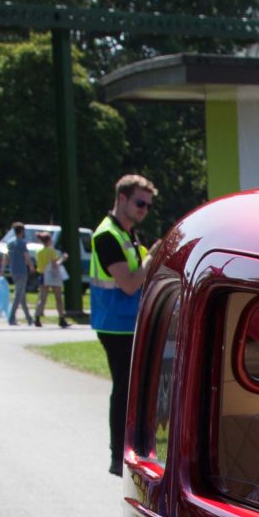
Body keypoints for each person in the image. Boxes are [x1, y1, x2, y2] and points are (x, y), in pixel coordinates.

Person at [89, 175, 157, 475]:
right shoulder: (106, 236)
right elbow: (129, 284)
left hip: (130, 322)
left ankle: (132, 448)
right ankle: (119, 455)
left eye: (148, 205)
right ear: (122, 199)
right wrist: (151, 259)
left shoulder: (127, 234)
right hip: (115, 324)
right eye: (139, 203)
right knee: (125, 387)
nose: (144, 209)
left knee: (134, 388)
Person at [3, 223, 37, 326]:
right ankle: (11, 318)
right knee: (18, 295)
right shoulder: (22, 243)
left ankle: (29, 318)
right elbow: (26, 257)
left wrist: (3, 269)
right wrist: (31, 266)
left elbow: (6, 257)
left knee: (22, 296)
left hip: (13, 270)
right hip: (22, 270)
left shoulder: (10, 242)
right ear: (22, 231)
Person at [36, 227, 69, 327]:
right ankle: (61, 318)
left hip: (42, 275)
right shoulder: (52, 251)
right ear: (49, 240)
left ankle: (37, 318)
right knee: (58, 298)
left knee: (42, 298)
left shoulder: (38, 252)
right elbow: (55, 265)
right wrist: (63, 259)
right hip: (53, 276)